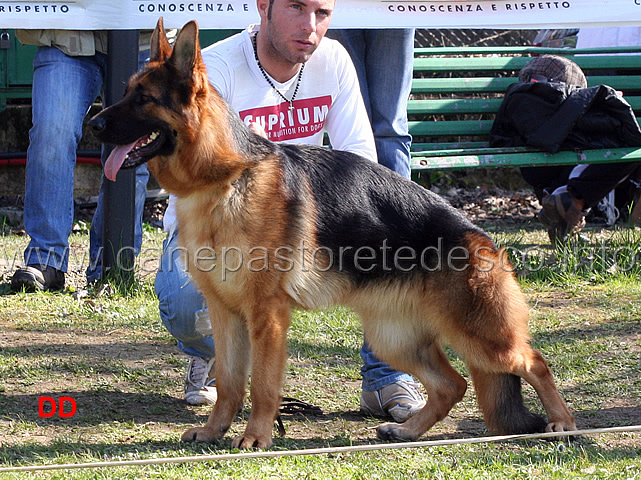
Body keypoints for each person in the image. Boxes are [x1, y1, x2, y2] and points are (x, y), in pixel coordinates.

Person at [155, 0, 425, 421]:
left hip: (295, 222)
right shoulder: (221, 68)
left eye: (322, 13)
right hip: (212, 225)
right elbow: (196, 181)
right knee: (189, 305)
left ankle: (386, 376)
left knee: (387, 244)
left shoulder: (334, 59)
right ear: (264, 5)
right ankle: (215, 360)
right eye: (297, 8)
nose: (310, 26)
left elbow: (360, 164)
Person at [323, 28, 422, 417]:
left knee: (391, 137)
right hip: (338, 9)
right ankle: (387, 373)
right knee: (361, 143)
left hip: (394, 9)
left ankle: (389, 373)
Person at [10, 30, 150, 292]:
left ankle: (113, 265)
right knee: (51, 133)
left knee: (132, 150)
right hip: (65, 35)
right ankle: (45, 260)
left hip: (140, 37)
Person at [489, 54, 641, 243]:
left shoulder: (518, 100)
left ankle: (564, 214)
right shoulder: (578, 100)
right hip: (571, 165)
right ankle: (574, 203)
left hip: (534, 167)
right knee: (629, 151)